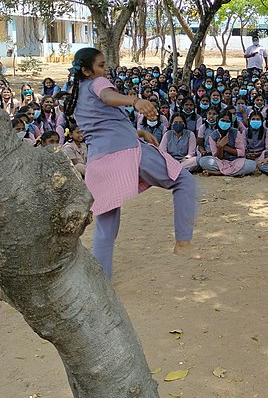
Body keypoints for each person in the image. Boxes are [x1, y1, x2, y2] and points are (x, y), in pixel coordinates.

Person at [65, 47, 198, 278]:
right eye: (101, 66)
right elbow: (108, 97)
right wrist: (134, 101)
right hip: (126, 154)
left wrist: (139, 132)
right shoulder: (98, 84)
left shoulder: (77, 98)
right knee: (183, 180)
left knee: (106, 229)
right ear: (87, 71)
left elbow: (103, 126)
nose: (105, 70)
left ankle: (102, 281)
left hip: (99, 163)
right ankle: (183, 241)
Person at [198, 111, 256, 176]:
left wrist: (226, 148)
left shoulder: (236, 133)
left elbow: (242, 152)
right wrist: (220, 147)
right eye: (222, 120)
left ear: (231, 123)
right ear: (217, 120)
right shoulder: (213, 136)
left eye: (227, 121)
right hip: (221, 162)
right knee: (203, 161)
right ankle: (233, 172)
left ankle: (219, 172)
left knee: (252, 165)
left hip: (236, 161)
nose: (225, 123)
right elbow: (217, 156)